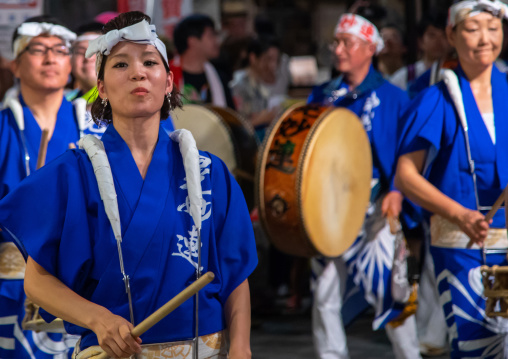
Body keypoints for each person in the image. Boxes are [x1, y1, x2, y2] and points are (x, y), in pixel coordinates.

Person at [0, 11, 257, 359]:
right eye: (121, 65)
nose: (138, 72)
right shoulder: (73, 174)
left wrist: (241, 347)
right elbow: (37, 281)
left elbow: (234, 277)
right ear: (101, 87)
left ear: (168, 82)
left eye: (149, 62)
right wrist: (98, 318)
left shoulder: (211, 174)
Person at [395, 1, 508, 358]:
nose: (485, 39)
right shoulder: (437, 98)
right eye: (473, 29)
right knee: (478, 346)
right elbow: (406, 175)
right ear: (451, 35)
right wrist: (459, 214)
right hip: (463, 247)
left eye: (493, 27)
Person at [307, 13, 420, 359]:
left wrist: (398, 192)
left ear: (370, 49)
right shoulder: (323, 95)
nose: (338, 49)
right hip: (328, 208)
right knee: (325, 290)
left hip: (376, 207)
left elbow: (408, 154)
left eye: (346, 42)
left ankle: (409, 355)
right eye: (335, 42)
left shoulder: (394, 97)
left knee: (391, 292)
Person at [0, 15, 83, 358]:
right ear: (16, 66)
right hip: (9, 287)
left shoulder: (91, 128)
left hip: (78, 286)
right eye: (38, 50)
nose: (50, 59)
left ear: (70, 64)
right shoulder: (4, 127)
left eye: (59, 50)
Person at [171, 14, 236, 109]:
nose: (217, 41)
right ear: (192, 41)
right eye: (211, 35)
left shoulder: (220, 77)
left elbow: (231, 117)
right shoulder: (165, 76)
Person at [230, 36, 281, 141]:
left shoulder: (260, 85)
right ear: (253, 58)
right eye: (267, 59)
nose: (272, 65)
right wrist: (264, 118)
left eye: (276, 60)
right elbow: (235, 125)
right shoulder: (238, 84)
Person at [390, 12, 449, 91]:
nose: (438, 41)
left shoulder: (458, 75)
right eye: (432, 35)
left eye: (444, 35)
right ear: (420, 41)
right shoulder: (403, 77)